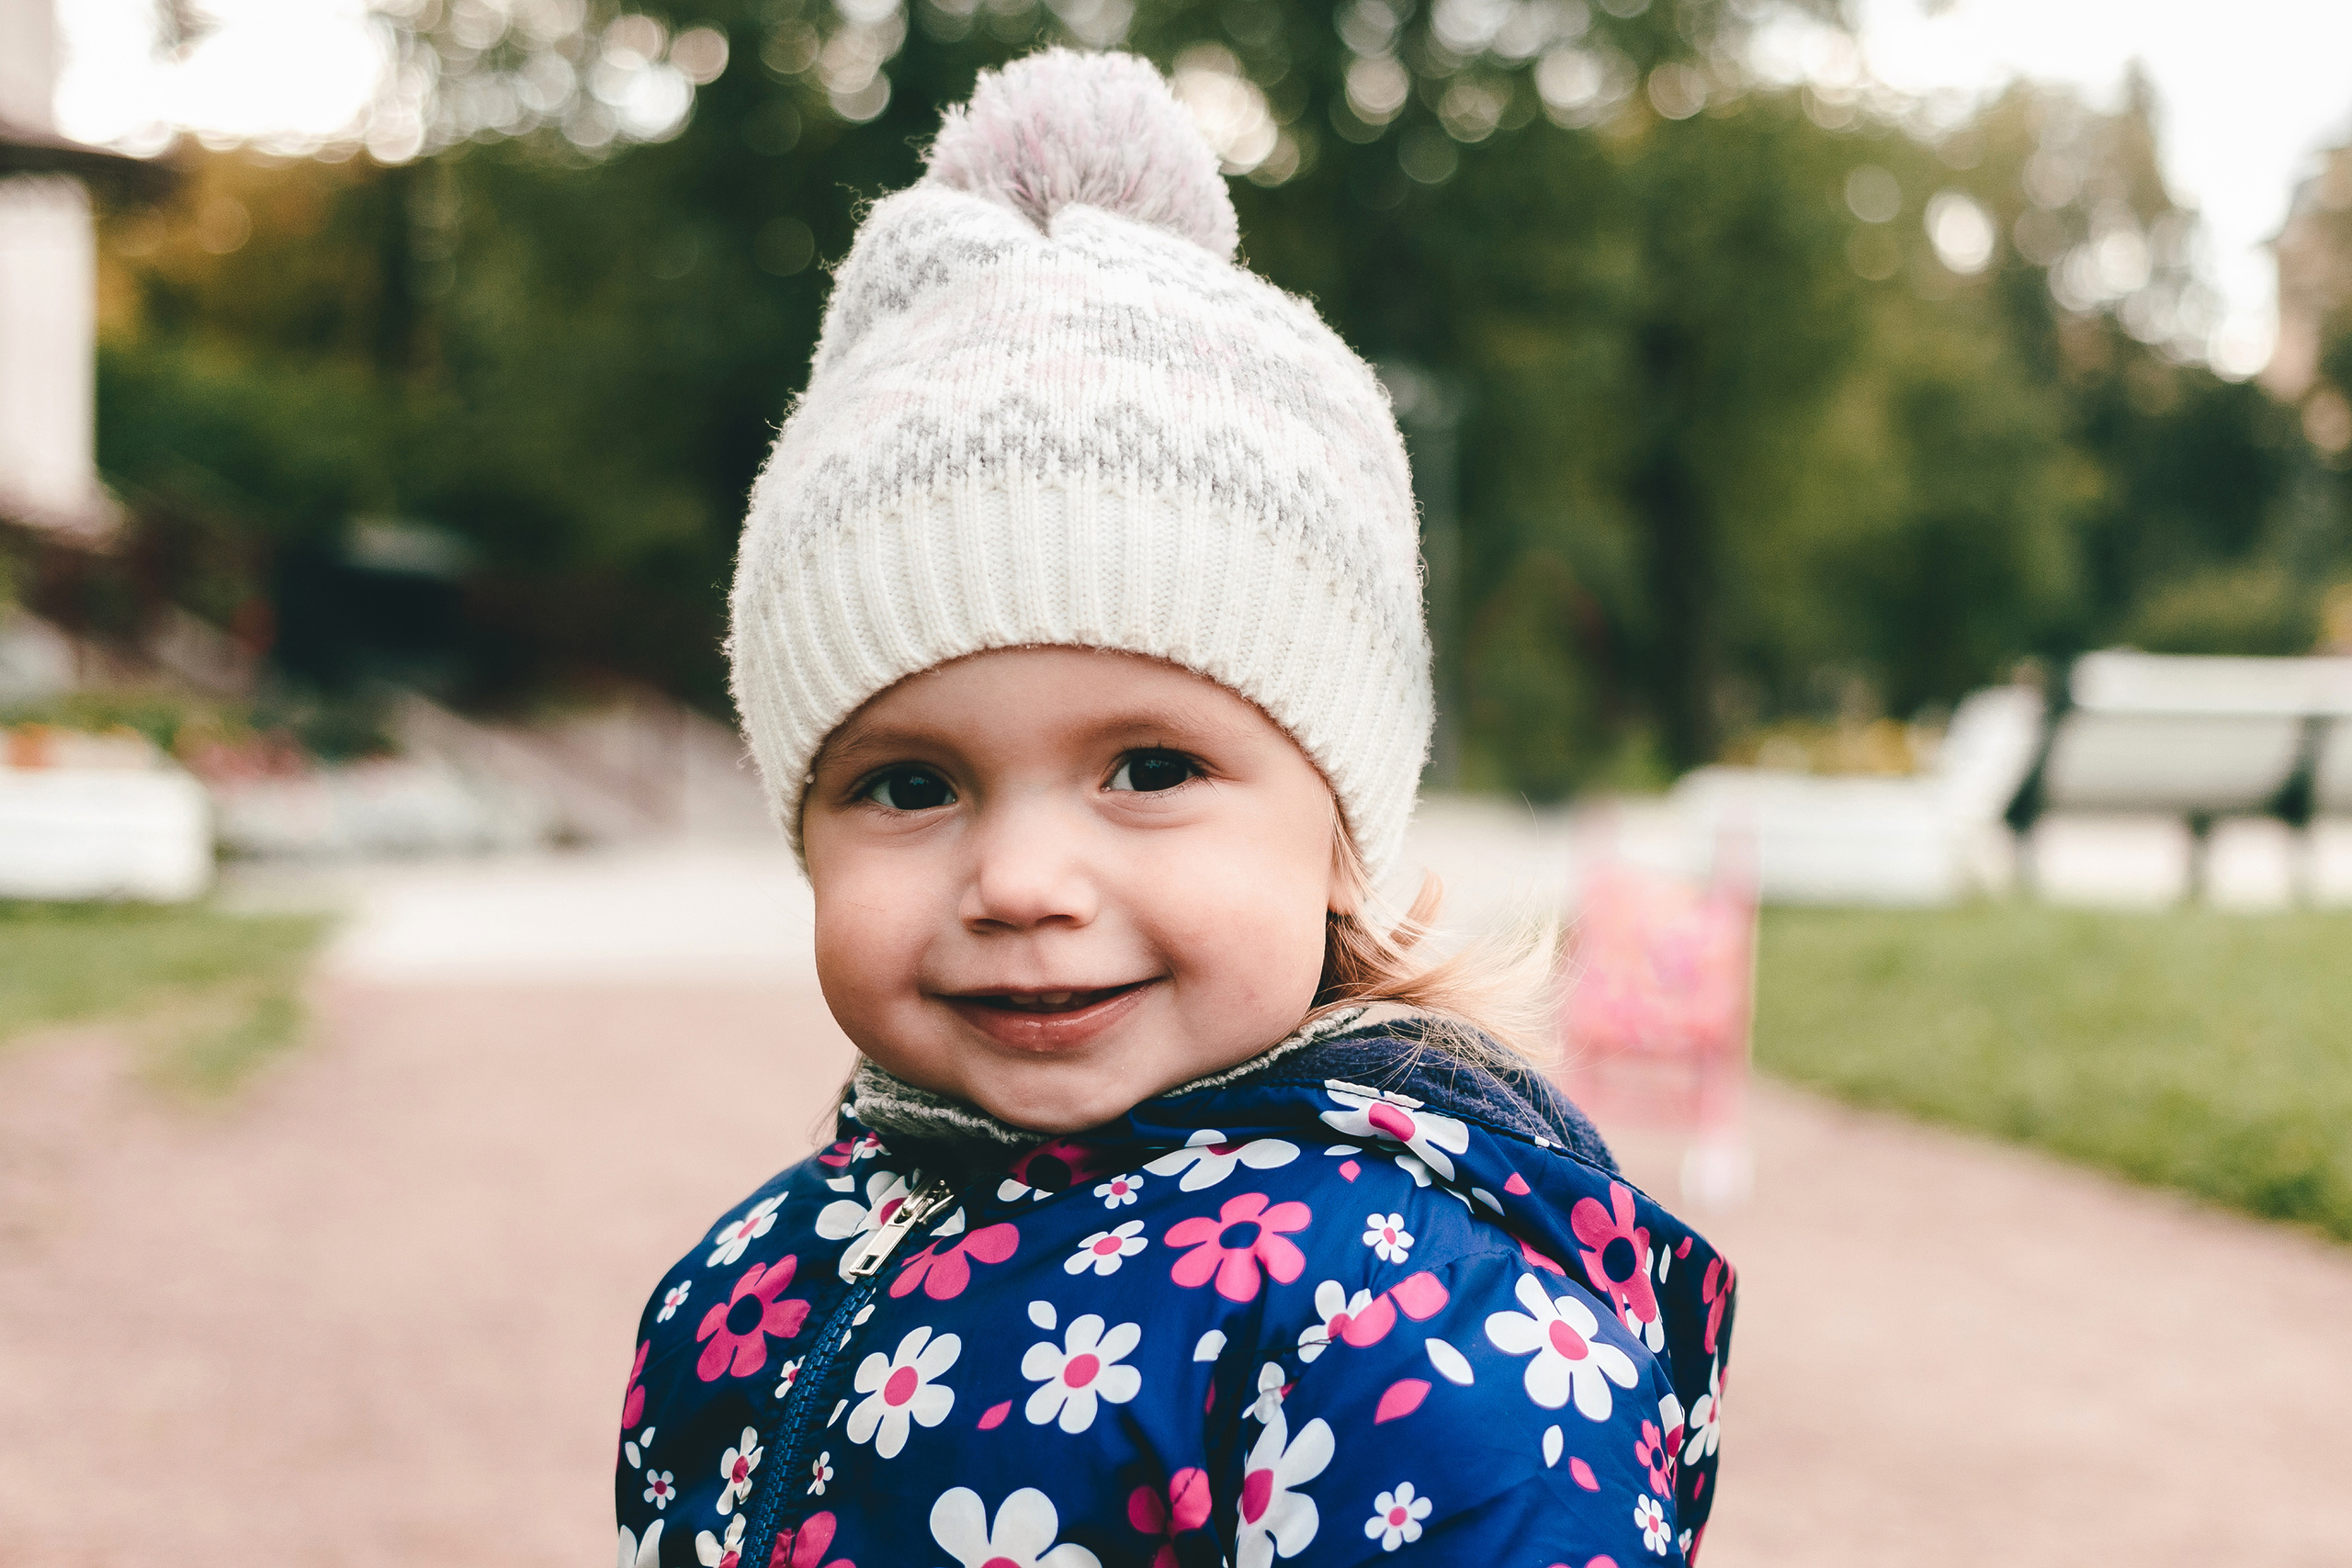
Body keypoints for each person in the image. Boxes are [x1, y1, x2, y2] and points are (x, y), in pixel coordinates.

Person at [616, 49, 1734, 1568]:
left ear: (1341, 832)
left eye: (1148, 770)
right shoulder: (752, 1277)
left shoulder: (1408, 1326)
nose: (1022, 880)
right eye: (911, 785)